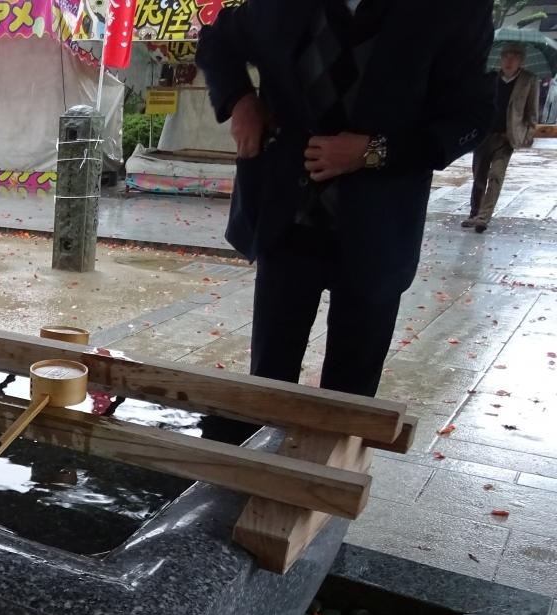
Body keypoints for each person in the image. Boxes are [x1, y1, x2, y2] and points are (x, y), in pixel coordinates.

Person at [195, 0, 494, 411]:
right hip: (287, 221)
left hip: (378, 229)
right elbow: (217, 40)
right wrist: (241, 102)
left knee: (350, 397)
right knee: (268, 382)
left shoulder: (454, 10)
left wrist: (373, 152)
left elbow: (473, 118)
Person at [463, 43, 539, 233]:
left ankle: (483, 217)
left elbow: (531, 112)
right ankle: (475, 212)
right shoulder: (491, 78)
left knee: (496, 176)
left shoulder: (528, 80)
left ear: (521, 60)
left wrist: (527, 133)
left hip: (506, 137)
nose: (509, 60)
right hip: (484, 135)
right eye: (506, 56)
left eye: (514, 57)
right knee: (479, 176)